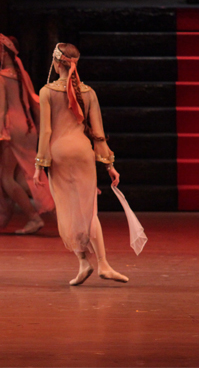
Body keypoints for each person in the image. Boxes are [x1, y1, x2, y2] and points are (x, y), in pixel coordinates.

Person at [33, 42, 128, 286]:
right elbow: (98, 133)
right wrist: (109, 165)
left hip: (60, 154)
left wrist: (38, 165)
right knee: (88, 210)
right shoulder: (89, 92)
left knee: (68, 209)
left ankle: (83, 261)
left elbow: (46, 131)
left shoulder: (47, 92)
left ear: (56, 63)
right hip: (83, 152)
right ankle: (102, 264)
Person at [0, 34, 55, 234]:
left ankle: (34, 218)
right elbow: (33, 102)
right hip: (28, 128)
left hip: (12, 129)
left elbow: (1, 110)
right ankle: (57, 212)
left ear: (5, 51)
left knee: (6, 179)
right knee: (25, 178)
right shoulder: (22, 74)